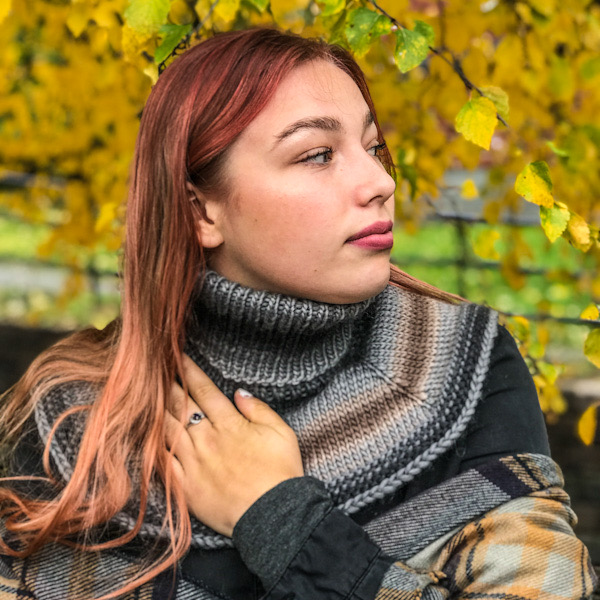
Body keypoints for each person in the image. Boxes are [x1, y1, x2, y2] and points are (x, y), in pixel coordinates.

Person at [0, 27, 596, 600]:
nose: (380, 181)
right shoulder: (74, 420)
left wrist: (283, 521)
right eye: (317, 155)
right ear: (200, 212)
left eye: (373, 147)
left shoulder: (459, 366)